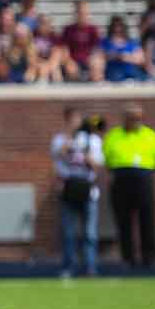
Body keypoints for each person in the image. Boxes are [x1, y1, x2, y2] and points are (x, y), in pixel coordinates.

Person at [103, 104, 155, 268]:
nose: (134, 121)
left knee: (147, 219)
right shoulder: (114, 136)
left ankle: (149, 257)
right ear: (124, 119)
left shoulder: (151, 136)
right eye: (131, 118)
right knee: (123, 220)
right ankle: (128, 258)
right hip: (121, 179)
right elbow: (107, 161)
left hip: (143, 180)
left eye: (137, 118)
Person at [52, 108, 103, 277]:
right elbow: (58, 155)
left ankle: (90, 267)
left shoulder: (92, 140)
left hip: (88, 188)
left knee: (89, 232)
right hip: (68, 186)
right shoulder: (60, 139)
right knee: (68, 231)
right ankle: (69, 266)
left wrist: (86, 155)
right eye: (71, 120)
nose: (75, 123)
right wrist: (70, 139)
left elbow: (98, 165)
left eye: (77, 120)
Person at [62, 0, 105, 81]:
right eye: (79, 12)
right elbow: (64, 48)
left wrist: (94, 59)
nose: (81, 15)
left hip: (89, 61)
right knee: (70, 67)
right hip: (73, 60)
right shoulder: (68, 29)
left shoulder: (93, 29)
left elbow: (98, 49)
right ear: (75, 13)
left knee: (97, 64)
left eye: (83, 12)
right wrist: (68, 60)